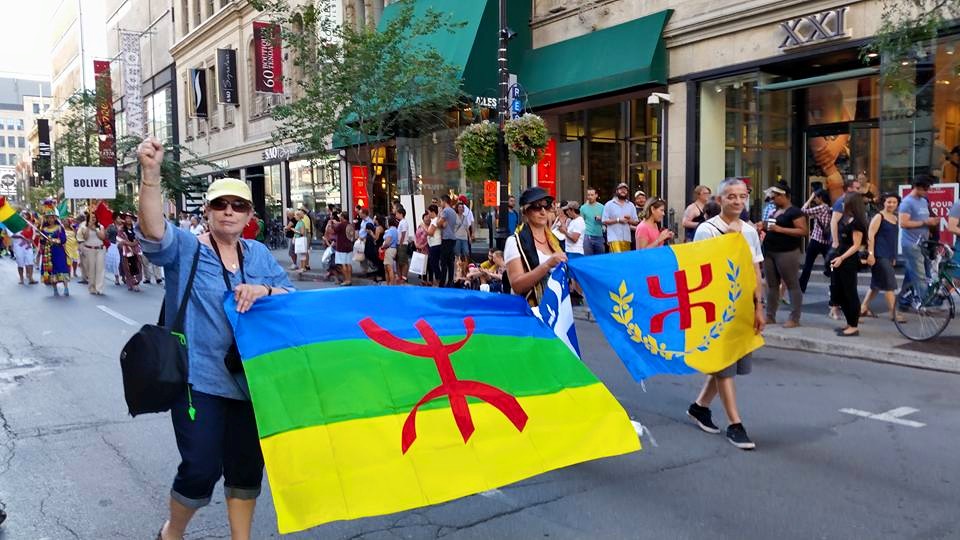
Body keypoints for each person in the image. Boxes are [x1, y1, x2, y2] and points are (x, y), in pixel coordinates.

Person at [136, 138, 295, 540]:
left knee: (245, 467)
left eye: (238, 205)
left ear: (249, 215)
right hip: (197, 381)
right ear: (206, 212)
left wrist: (265, 291)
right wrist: (150, 174)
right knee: (200, 468)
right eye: (220, 205)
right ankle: (173, 531)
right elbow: (154, 230)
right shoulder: (187, 249)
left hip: (249, 383)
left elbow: (291, 299)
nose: (229, 211)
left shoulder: (258, 255)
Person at [686, 178, 765, 450]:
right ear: (720, 200)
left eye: (742, 196)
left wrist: (759, 306)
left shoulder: (750, 231)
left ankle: (699, 407)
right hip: (716, 309)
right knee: (724, 366)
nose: (738, 201)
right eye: (731, 196)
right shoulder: (707, 230)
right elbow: (699, 271)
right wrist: (729, 244)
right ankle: (735, 424)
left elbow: (756, 271)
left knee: (729, 363)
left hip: (742, 307)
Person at [504, 187, 567, 307]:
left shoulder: (555, 241)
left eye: (547, 206)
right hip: (529, 312)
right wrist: (547, 265)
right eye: (537, 206)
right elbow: (517, 286)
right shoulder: (514, 242)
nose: (543, 212)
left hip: (557, 312)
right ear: (525, 211)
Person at [760, 182, 807, 327]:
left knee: (792, 284)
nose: (773, 200)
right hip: (770, 250)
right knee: (772, 285)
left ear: (784, 196)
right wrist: (763, 225)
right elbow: (772, 226)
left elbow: (803, 231)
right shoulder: (775, 211)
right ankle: (770, 315)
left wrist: (780, 229)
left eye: (775, 197)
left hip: (787, 251)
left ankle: (794, 317)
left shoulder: (795, 212)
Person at [861, 193, 904, 322]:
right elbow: (871, 235)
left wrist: (894, 256)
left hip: (888, 255)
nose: (891, 204)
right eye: (889, 202)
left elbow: (893, 240)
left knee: (876, 285)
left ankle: (863, 307)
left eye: (894, 202)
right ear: (884, 202)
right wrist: (871, 254)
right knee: (890, 284)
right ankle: (893, 313)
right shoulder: (879, 216)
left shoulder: (895, 218)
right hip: (879, 255)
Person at [830, 193, 868, 337]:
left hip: (848, 259)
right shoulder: (847, 219)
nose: (843, 204)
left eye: (845, 202)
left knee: (850, 291)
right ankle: (849, 322)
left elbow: (856, 245)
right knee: (842, 291)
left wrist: (841, 257)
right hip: (841, 256)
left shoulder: (857, 223)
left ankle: (853, 325)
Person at [898, 176, 940, 304]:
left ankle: (904, 299)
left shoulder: (923, 201)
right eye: (925, 188)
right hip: (912, 244)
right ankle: (926, 302)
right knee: (920, 275)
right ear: (917, 187)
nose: (927, 191)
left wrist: (931, 225)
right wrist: (925, 222)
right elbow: (903, 223)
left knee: (914, 272)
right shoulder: (907, 203)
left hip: (922, 243)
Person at [799, 189, 833, 293]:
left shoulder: (820, 207)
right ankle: (834, 286)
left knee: (808, 265)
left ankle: (801, 287)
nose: (815, 200)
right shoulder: (830, 209)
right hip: (827, 242)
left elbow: (803, 210)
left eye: (816, 198)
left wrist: (809, 199)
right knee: (830, 265)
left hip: (816, 240)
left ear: (820, 198)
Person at [38, 205, 71, 297]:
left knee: (61, 268)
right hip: (48, 252)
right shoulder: (43, 229)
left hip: (58, 251)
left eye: (52, 218)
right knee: (50, 270)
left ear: (54, 218)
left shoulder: (59, 228)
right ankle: (55, 289)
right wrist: (42, 238)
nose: (50, 220)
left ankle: (66, 288)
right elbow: (42, 241)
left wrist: (55, 240)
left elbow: (63, 239)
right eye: (48, 218)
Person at [602, 182, 639, 252]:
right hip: (614, 237)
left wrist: (629, 220)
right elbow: (604, 220)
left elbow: (636, 222)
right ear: (617, 191)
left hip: (627, 238)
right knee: (616, 259)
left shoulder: (631, 205)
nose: (623, 191)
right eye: (621, 189)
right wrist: (618, 220)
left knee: (625, 260)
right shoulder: (609, 204)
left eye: (625, 190)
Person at [78, 212, 107, 295]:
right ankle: (92, 287)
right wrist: (88, 227)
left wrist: (95, 229)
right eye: (91, 217)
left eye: (94, 217)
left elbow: (102, 237)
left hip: (100, 249)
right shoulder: (83, 227)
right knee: (91, 269)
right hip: (89, 249)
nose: (93, 219)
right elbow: (85, 237)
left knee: (100, 269)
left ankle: (99, 288)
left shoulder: (100, 226)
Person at [118, 213, 143, 292]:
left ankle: (136, 282)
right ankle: (131, 283)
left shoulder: (136, 229)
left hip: (136, 250)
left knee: (137, 266)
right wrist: (129, 243)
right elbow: (119, 239)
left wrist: (135, 243)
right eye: (127, 218)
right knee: (128, 267)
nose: (128, 220)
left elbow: (139, 238)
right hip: (127, 251)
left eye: (130, 218)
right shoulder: (121, 230)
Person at [437, 195, 458, 287]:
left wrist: (439, 215)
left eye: (441, 202)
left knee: (444, 261)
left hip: (446, 238)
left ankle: (442, 282)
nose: (440, 204)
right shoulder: (453, 211)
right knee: (450, 261)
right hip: (452, 237)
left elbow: (439, 223)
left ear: (444, 201)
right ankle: (450, 281)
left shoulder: (445, 211)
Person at [11, 213, 37, 285]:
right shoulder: (15, 225)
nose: (24, 217)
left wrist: (32, 239)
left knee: (30, 261)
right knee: (20, 262)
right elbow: (12, 235)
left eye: (26, 215)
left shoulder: (30, 224)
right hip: (19, 246)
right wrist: (22, 237)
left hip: (28, 246)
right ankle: (21, 279)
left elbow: (34, 234)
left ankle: (31, 278)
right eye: (22, 215)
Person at [580, 187, 605, 255]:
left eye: (592, 195)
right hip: (587, 235)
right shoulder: (583, 208)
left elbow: (606, 221)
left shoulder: (602, 207)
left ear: (596, 195)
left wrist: (601, 219)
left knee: (600, 258)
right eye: (588, 195)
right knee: (588, 257)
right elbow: (581, 222)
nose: (590, 197)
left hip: (599, 235)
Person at [333, 212, 355, 286]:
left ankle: (346, 280)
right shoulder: (350, 224)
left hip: (341, 247)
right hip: (349, 246)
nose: (339, 217)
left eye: (340, 216)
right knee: (349, 263)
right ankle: (350, 279)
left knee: (343, 264)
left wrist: (334, 223)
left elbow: (334, 230)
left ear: (342, 217)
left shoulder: (341, 225)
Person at [425, 205, 442, 287]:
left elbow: (431, 232)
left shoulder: (435, 220)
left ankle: (438, 279)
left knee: (434, 263)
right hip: (433, 244)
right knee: (433, 263)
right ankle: (437, 279)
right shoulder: (434, 220)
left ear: (432, 212)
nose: (428, 215)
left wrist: (424, 228)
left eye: (429, 212)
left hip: (435, 244)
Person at [454, 201, 471, 279]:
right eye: (459, 207)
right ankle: (458, 271)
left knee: (466, 253)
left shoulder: (465, 217)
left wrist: (469, 237)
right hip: (457, 237)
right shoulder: (455, 216)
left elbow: (467, 228)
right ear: (457, 208)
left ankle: (465, 270)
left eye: (462, 207)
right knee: (457, 255)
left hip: (464, 238)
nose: (461, 208)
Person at [105, 214, 123, 286]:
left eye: (120, 218)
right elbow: (106, 235)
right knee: (116, 262)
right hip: (113, 246)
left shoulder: (123, 227)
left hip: (122, 246)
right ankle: (117, 278)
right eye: (118, 218)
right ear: (115, 220)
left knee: (122, 262)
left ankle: (124, 277)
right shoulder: (111, 227)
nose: (120, 220)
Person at [395, 207, 411, 282]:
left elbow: (403, 233)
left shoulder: (403, 222)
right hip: (400, 243)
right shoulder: (401, 222)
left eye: (397, 213)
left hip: (403, 244)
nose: (396, 215)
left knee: (403, 261)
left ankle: (404, 277)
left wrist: (400, 243)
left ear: (401, 214)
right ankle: (400, 276)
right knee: (399, 261)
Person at [382, 217, 399, 285]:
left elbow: (387, 242)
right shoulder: (395, 229)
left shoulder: (390, 231)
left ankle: (390, 284)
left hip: (389, 249)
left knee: (388, 268)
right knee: (389, 268)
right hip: (393, 249)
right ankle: (390, 283)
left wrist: (382, 247)